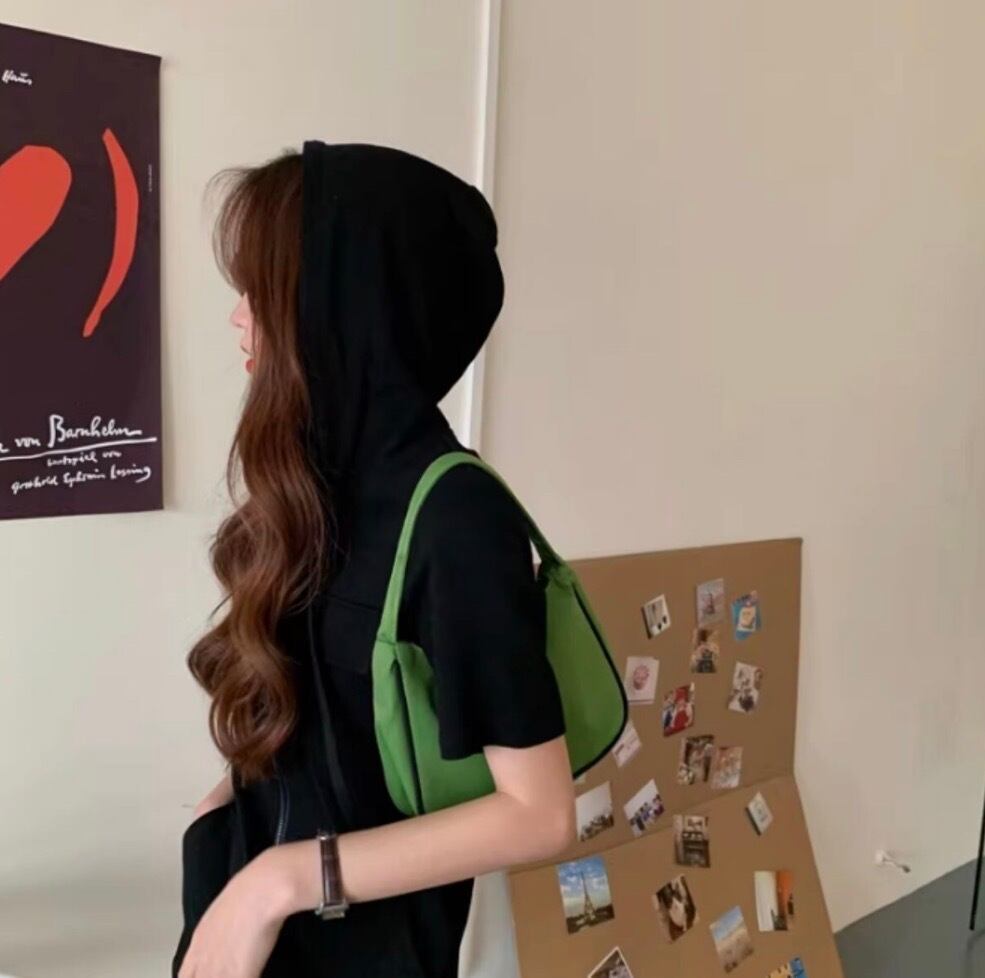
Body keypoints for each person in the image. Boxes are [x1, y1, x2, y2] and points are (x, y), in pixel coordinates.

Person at [171, 141, 575, 978]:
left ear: (344, 304)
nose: (239, 316)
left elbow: (540, 814)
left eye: (261, 289)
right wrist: (216, 831)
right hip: (246, 919)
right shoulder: (309, 480)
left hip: (356, 949)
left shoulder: (455, 518)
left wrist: (279, 882)